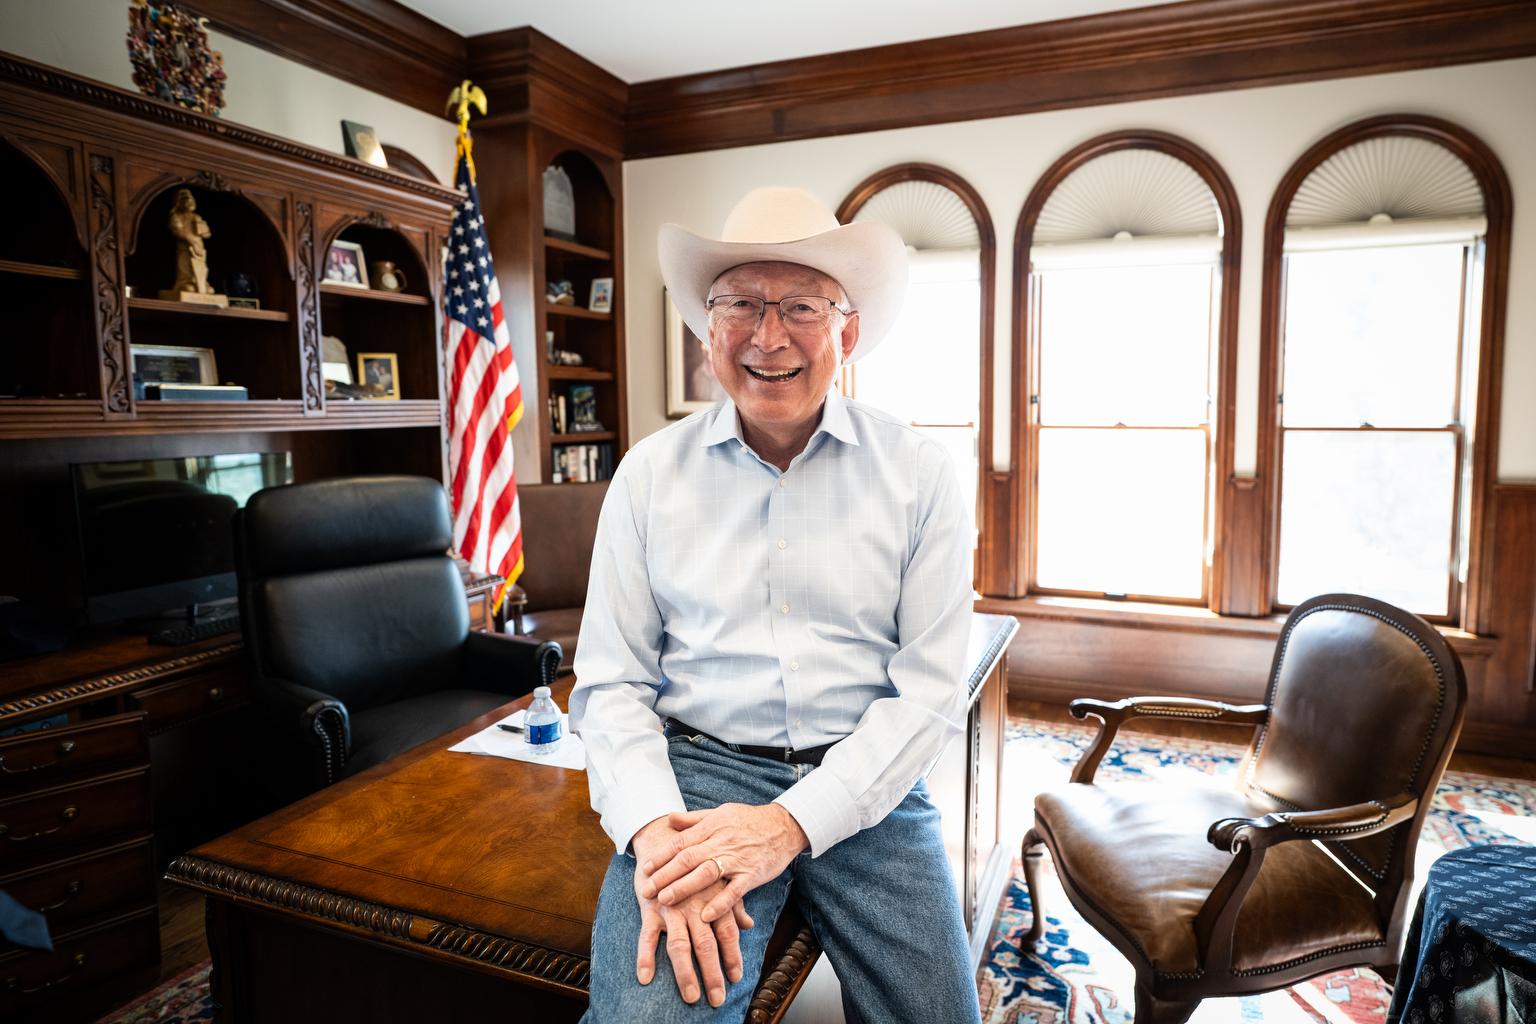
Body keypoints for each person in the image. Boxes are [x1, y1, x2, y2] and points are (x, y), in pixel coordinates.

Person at [571, 186, 979, 1022]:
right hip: (699, 777)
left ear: (847, 332)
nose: (768, 335)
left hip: (867, 776)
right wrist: (654, 832)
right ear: (706, 326)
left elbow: (932, 694)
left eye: (801, 305)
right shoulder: (647, 477)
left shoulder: (922, 475)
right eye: (741, 304)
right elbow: (611, 684)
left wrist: (788, 826)